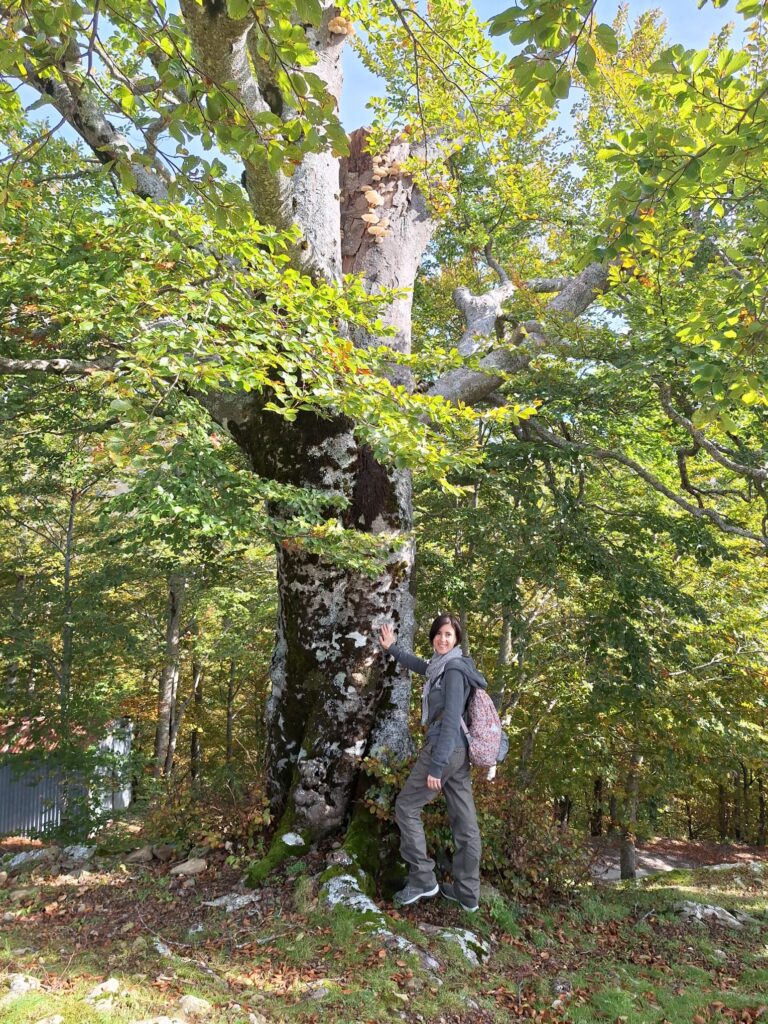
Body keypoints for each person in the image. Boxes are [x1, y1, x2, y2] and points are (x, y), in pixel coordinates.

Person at [379, 614, 484, 912]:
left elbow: (451, 717)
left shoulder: (452, 670)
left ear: (457, 640)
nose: (443, 639)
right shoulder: (445, 666)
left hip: (444, 749)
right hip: (459, 752)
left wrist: (437, 765)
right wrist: (393, 649)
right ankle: (467, 894)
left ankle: (423, 879)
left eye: (449, 635)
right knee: (465, 824)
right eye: (439, 634)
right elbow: (423, 668)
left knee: (406, 806)